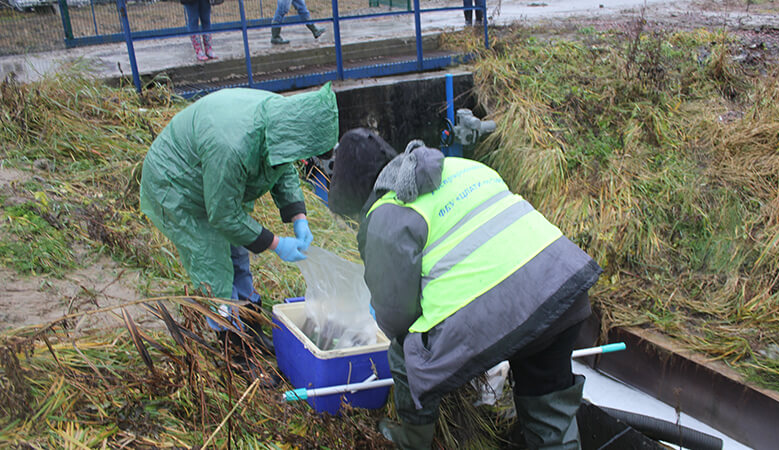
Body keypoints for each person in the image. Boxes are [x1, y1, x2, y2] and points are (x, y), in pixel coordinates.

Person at [326, 128, 602, 449]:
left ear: (358, 195)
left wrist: (387, 315)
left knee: (406, 348)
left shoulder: (386, 213)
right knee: (549, 403)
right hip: (561, 285)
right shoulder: (462, 166)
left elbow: (397, 317)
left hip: (507, 309)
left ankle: (412, 439)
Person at [139, 83, 339, 376]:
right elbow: (223, 215)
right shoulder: (231, 145)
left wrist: (299, 217)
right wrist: (275, 243)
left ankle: (250, 328)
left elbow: (283, 166)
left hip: (216, 181)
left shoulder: (284, 120)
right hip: (178, 185)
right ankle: (234, 352)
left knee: (238, 256)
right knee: (215, 266)